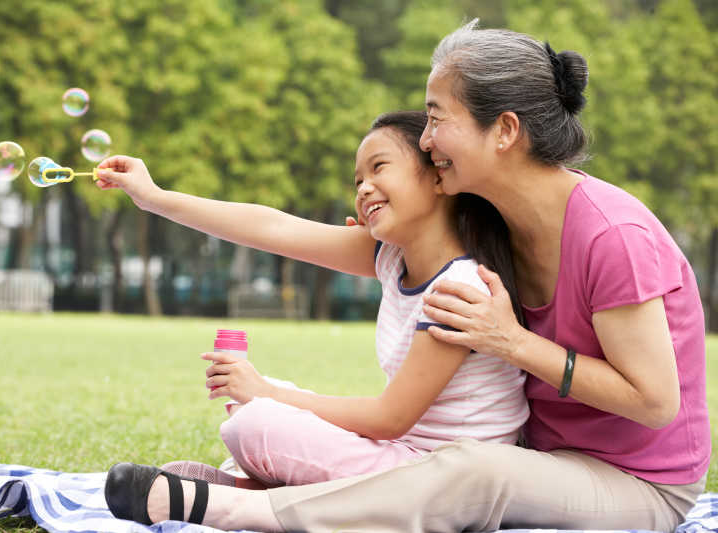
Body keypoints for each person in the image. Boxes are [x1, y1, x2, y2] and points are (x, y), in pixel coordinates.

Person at [101, 20, 710, 533]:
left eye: (436, 118)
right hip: (541, 460)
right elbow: (276, 228)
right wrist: (156, 197)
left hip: (639, 484)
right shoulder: (477, 230)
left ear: (504, 130)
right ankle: (248, 481)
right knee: (458, 466)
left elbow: (655, 403)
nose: (425, 140)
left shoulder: (612, 236)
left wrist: (514, 342)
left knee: (476, 471)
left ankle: (237, 507)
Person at [97, 110, 530, 521]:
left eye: (379, 168)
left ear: (439, 177)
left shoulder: (461, 288)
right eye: (358, 179)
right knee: (256, 412)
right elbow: (272, 228)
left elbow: (389, 419)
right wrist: (153, 197)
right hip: (404, 458)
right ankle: (258, 492)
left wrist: (265, 391)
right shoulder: (392, 258)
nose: (362, 188)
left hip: (440, 483)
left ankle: (244, 496)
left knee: (259, 420)